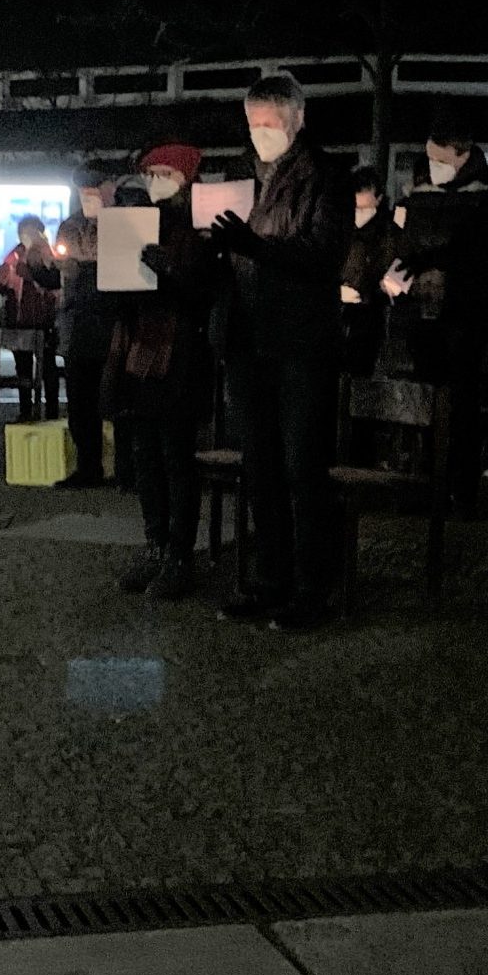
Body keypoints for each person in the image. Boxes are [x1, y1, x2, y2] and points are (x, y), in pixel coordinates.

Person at [211, 75, 350, 628]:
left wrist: (253, 246)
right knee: (259, 466)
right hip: (249, 339)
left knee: (301, 467)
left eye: (269, 124)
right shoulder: (247, 176)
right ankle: (270, 579)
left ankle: (313, 589)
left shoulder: (326, 177)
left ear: (297, 120)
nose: (259, 134)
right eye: (252, 124)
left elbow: (323, 255)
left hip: (301, 343)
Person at [385, 106, 488, 513]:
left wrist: (438, 263)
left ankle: (460, 488)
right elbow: (401, 238)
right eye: (429, 158)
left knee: (460, 403)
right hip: (419, 312)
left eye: (440, 159)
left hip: (463, 313)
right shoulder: (419, 193)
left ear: (463, 154)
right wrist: (401, 268)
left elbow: (484, 250)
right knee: (422, 399)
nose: (432, 166)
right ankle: (423, 481)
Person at [108, 142, 214, 600]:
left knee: (176, 458)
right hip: (141, 353)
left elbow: (200, 293)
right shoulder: (140, 221)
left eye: (163, 174)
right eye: (150, 175)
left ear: (185, 179)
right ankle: (155, 544)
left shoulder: (199, 227)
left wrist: (164, 269)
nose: (154, 182)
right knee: (146, 457)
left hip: (180, 356)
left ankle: (179, 554)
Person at [53, 167, 116, 487]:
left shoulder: (122, 223)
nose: (88, 196)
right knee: (80, 401)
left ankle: (125, 467)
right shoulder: (70, 225)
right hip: (77, 322)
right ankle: (87, 466)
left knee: (116, 398)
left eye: (94, 189)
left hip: (113, 321)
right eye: (83, 190)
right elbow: (59, 274)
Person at [0, 214, 61, 420]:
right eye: (24, 232)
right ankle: (26, 411)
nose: (27, 236)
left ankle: (51, 412)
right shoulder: (14, 256)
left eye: (31, 231)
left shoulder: (49, 254)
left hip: (43, 322)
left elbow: (54, 283)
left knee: (48, 368)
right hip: (19, 321)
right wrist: (0, 281)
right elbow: (2, 283)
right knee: (23, 369)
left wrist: (31, 273)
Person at [340, 166, 394, 378]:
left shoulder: (387, 231)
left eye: (365, 207)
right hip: (337, 313)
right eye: (356, 207)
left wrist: (368, 293)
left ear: (378, 200)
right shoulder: (339, 225)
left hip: (368, 315)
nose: (359, 213)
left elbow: (389, 266)